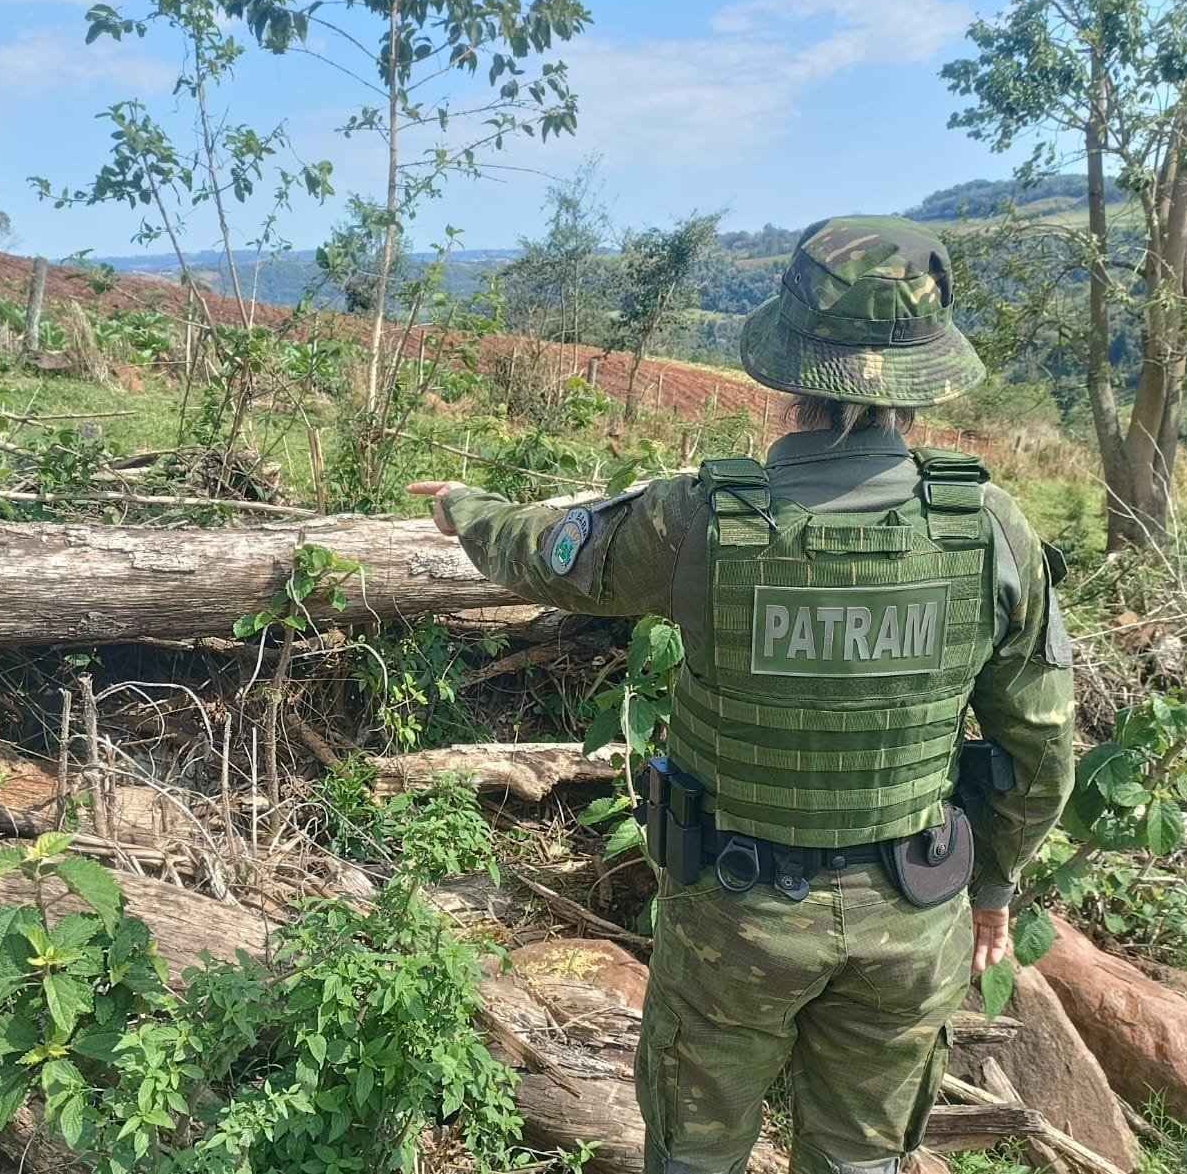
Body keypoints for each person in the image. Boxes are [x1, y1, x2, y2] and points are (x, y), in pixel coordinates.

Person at [410, 215, 1075, 1174]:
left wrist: (466, 509)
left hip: (734, 918)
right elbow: (1040, 750)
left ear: (791, 370)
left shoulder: (700, 518)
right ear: (922, 376)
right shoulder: (992, 530)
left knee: (696, 1157)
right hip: (911, 914)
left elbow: (551, 555)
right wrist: (997, 884)